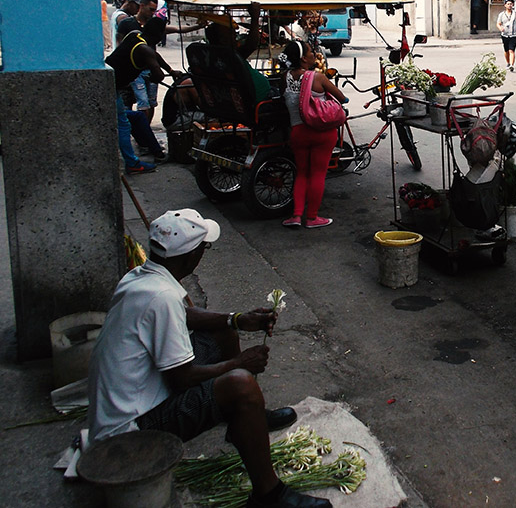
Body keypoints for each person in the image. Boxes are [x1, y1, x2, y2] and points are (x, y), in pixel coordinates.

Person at [87, 209, 330, 508]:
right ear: (190, 257)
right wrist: (241, 363)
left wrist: (237, 320)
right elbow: (182, 378)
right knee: (240, 384)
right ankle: (269, 495)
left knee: (222, 330)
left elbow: (185, 315)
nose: (204, 253)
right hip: (130, 434)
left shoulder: (142, 278)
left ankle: (246, 420)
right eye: (204, 248)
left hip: (139, 399)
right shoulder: (160, 297)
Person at [279, 40, 348, 229]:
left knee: (302, 173)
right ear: (303, 58)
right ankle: (312, 218)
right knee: (318, 174)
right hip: (322, 133)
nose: (313, 55)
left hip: (298, 133)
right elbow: (342, 97)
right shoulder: (317, 77)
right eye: (310, 52)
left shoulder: (285, 77)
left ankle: (295, 215)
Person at [106, 18, 177, 174]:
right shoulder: (144, 50)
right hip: (109, 89)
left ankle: (155, 152)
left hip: (110, 86)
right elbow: (158, 76)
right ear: (158, 35)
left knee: (135, 118)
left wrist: (171, 71)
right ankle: (132, 163)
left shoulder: (136, 35)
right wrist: (157, 75)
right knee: (124, 125)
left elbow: (155, 57)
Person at [496, 0, 516, 72]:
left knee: (511, 50)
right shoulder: (501, 15)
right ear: (505, 5)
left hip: (514, 35)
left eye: (511, 4)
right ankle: (508, 63)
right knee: (506, 50)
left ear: (513, 5)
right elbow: (498, 24)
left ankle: (512, 65)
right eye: (508, 4)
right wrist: (500, 28)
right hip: (505, 35)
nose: (509, 5)